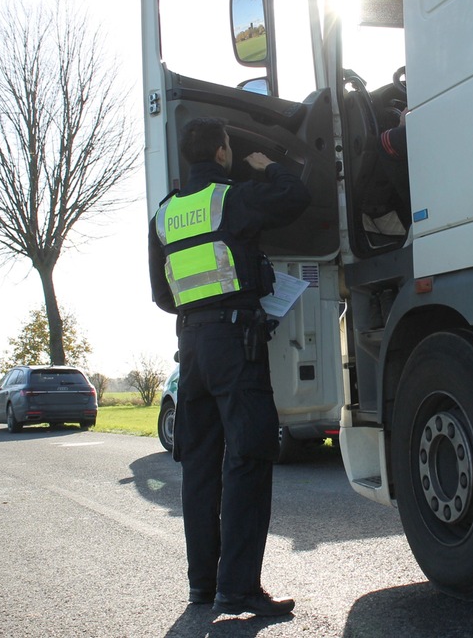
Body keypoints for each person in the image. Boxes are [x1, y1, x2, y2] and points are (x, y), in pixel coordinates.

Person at [148, 117, 311, 616]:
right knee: (248, 455)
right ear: (221, 152)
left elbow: (161, 296)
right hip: (234, 344)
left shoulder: (163, 215)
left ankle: (203, 584)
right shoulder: (232, 197)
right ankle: (237, 587)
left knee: (199, 465)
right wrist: (269, 166)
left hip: (191, 347)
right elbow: (296, 198)